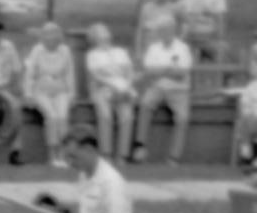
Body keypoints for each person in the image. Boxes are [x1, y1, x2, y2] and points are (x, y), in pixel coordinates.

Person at [30, 126, 135, 213]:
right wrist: (61, 211)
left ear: (89, 150)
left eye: (73, 157)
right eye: (67, 158)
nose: (69, 163)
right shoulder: (85, 175)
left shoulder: (111, 181)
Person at [134, 20, 196, 164]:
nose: (165, 33)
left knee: (182, 117)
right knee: (145, 104)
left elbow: (182, 72)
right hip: (158, 87)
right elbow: (149, 71)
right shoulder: (153, 48)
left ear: (173, 31)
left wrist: (160, 70)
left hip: (179, 89)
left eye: (168, 30)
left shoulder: (183, 48)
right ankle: (140, 147)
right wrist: (169, 69)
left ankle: (174, 156)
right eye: (162, 30)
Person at [16, 21, 78, 163]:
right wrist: (28, 94)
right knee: (52, 116)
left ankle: (64, 154)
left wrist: (72, 93)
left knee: (62, 117)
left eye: (54, 38)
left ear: (58, 38)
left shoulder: (65, 51)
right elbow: (30, 74)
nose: (50, 41)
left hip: (60, 89)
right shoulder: (37, 50)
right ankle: (52, 154)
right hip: (41, 90)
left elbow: (70, 74)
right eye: (47, 38)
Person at [81, 22, 135, 158]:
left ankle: (122, 155)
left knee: (127, 116)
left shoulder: (121, 52)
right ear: (95, 39)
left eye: (106, 33)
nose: (105, 37)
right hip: (102, 89)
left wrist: (126, 86)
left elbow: (129, 72)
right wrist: (112, 86)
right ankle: (106, 153)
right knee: (105, 115)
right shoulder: (92, 55)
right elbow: (96, 76)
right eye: (101, 34)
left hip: (122, 89)